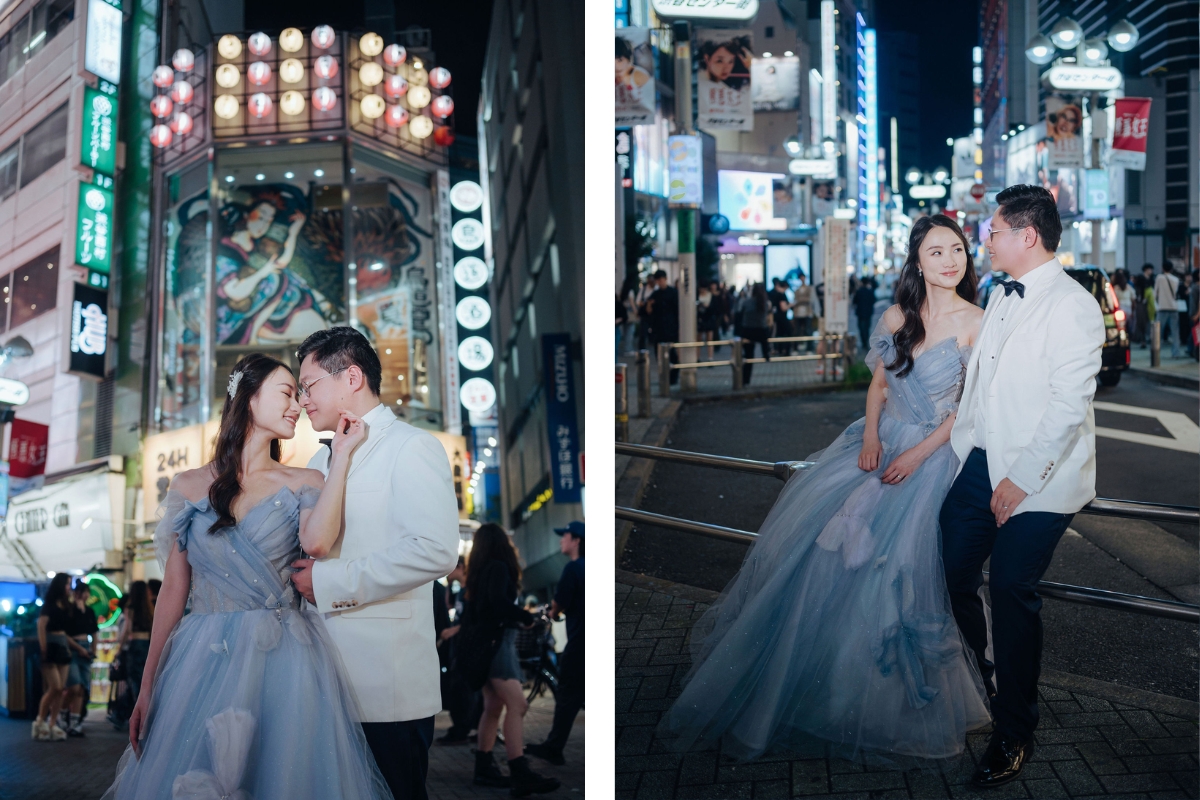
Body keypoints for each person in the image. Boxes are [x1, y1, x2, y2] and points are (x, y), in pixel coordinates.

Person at [658, 215, 990, 763]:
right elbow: (879, 386)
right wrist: (874, 439)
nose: (950, 260)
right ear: (917, 261)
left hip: (933, 458)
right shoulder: (896, 316)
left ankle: (901, 702)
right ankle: (830, 688)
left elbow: (967, 410)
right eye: (936, 252)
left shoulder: (978, 321)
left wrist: (914, 452)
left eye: (956, 249)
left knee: (908, 574)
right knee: (829, 564)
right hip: (878, 447)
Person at [103, 353, 394, 800]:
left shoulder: (305, 480)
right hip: (201, 658)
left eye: (300, 394)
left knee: (282, 776)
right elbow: (173, 593)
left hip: (286, 659)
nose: (297, 405)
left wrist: (342, 457)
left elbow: (316, 544)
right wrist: (147, 685)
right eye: (286, 393)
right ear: (247, 397)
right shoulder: (187, 485)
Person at [942, 184, 1104, 787]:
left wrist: (1018, 480)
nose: (984, 241)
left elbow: (1067, 408)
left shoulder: (1074, 306)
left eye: (993, 232)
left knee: (1010, 587)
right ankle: (979, 676)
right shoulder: (998, 293)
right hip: (981, 457)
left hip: (1042, 474)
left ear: (1026, 236)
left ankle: (1015, 728)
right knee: (951, 568)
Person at [288, 327, 460, 800]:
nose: (302, 399)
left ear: (352, 377)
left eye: (309, 384)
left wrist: (329, 581)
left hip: (386, 684)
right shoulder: (317, 462)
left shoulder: (412, 446)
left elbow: (436, 548)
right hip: (319, 678)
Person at [460, 524, 560, 795]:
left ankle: (484, 768)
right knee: (518, 704)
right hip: (498, 646)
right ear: (501, 542)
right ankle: (519, 770)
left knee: (493, 706)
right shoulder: (499, 568)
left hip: (483, 646)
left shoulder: (478, 572)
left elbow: (485, 606)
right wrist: (525, 617)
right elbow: (498, 602)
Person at [526, 522, 585, 767]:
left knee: (567, 694)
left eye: (565, 536)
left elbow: (558, 604)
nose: (561, 540)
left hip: (579, 642)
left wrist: (551, 612)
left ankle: (554, 747)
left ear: (577, 540)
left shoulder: (573, 568)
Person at [436, 558, 481, 746]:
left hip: (466, 648)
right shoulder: (461, 592)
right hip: (459, 648)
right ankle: (461, 728)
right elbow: (450, 607)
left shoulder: (472, 590)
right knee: (458, 689)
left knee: (464, 691)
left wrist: (454, 630)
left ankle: (463, 728)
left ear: (461, 567)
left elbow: (473, 621)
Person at [33, 573, 76, 742]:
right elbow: (41, 625)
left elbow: (67, 629)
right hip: (50, 645)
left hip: (62, 644)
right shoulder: (49, 605)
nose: (69, 588)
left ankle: (52, 723)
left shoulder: (66, 605)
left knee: (60, 689)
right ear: (60, 585)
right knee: (55, 687)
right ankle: (40, 720)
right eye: (67, 584)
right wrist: (43, 647)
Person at [63, 579, 99, 737]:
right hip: (73, 648)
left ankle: (75, 723)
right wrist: (80, 649)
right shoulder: (69, 610)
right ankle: (62, 714)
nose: (85, 595)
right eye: (83, 592)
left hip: (85, 647)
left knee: (82, 688)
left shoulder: (90, 611)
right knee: (74, 685)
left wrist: (93, 650)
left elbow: (94, 632)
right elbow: (65, 633)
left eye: (86, 593)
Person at [644, 270, 680, 385]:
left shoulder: (674, 293)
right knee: (659, 355)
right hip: (658, 329)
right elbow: (648, 311)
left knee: (672, 354)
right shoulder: (655, 294)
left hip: (671, 328)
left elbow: (678, 311)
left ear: (665, 279)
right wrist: (649, 304)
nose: (659, 282)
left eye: (661, 280)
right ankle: (664, 377)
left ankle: (673, 377)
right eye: (657, 280)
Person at [736, 283, 772, 386]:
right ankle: (766, 354)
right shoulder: (765, 303)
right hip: (761, 332)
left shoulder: (747, 302)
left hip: (747, 331)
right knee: (765, 340)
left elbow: (740, 314)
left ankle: (745, 379)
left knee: (748, 357)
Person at [1154, 262, 1182, 358]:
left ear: (1162, 268)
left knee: (1158, 331)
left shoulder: (1159, 278)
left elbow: (1155, 293)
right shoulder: (1176, 279)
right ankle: (1176, 352)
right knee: (1175, 332)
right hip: (1173, 307)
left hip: (1162, 307)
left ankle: (1156, 351)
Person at [790, 271, 817, 353]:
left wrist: (800, 300)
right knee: (797, 331)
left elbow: (810, 300)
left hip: (807, 312)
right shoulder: (797, 290)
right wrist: (802, 300)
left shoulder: (809, 288)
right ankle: (795, 348)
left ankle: (809, 349)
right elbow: (795, 300)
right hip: (798, 313)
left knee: (808, 331)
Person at [853, 277, 878, 358]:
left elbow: (855, 301)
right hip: (868, 312)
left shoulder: (859, 291)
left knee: (861, 328)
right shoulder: (870, 291)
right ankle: (865, 343)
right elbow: (873, 300)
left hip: (860, 312)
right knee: (867, 327)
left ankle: (864, 342)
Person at [768, 279, 793, 355]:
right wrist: (791, 305)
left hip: (777, 317)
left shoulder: (775, 294)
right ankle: (786, 351)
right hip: (782, 318)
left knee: (779, 334)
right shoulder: (782, 295)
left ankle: (780, 350)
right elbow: (783, 308)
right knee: (788, 333)